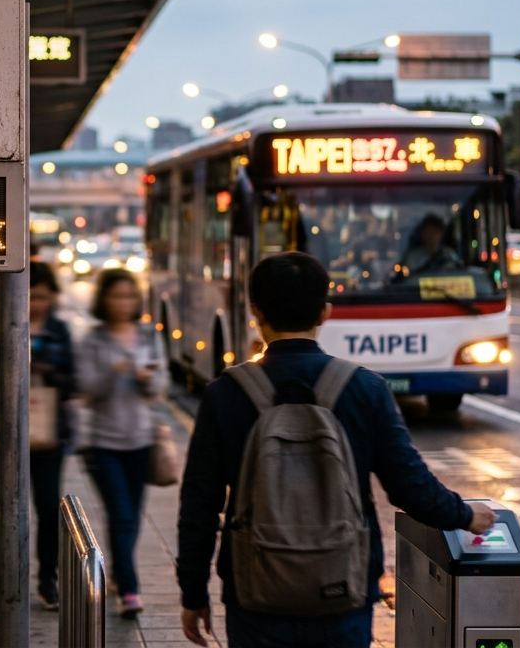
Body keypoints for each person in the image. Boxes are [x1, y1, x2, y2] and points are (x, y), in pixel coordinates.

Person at [178, 252, 495, 648]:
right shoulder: (364, 389)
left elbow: (199, 505)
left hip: (255, 594)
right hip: (342, 589)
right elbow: (409, 485)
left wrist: (193, 593)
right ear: (325, 313)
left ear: (254, 310)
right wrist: (466, 515)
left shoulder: (225, 394)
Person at [0, 261, 76, 610]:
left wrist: (50, 379)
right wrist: (6, 385)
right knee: (11, 507)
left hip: (49, 433)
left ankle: (47, 580)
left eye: (42, 297)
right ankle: (11, 578)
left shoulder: (60, 331)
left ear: (52, 297)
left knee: (47, 506)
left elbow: (75, 379)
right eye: (30, 296)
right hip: (4, 431)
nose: (36, 304)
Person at [76, 268, 169, 617]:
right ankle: (129, 590)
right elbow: (86, 387)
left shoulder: (148, 335)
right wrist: (114, 372)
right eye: (117, 296)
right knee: (122, 515)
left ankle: (118, 570)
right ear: (104, 300)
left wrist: (147, 380)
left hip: (141, 439)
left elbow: (161, 384)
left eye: (130, 296)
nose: (123, 303)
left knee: (131, 517)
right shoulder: (94, 340)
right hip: (103, 443)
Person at [396, 214, 462, 278]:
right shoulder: (412, 257)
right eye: (428, 232)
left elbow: (458, 274)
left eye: (435, 232)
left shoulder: (449, 256)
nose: (432, 236)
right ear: (422, 234)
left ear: (441, 234)